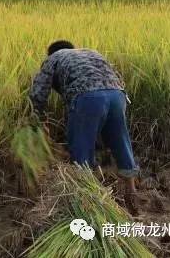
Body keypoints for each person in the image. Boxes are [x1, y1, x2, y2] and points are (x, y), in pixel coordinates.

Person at [29, 40, 140, 212]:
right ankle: (131, 193)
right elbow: (116, 76)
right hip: (117, 96)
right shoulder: (92, 52)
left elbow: (39, 90)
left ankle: (87, 202)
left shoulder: (54, 58)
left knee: (81, 148)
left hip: (88, 98)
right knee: (120, 142)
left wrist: (35, 116)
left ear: (51, 53)